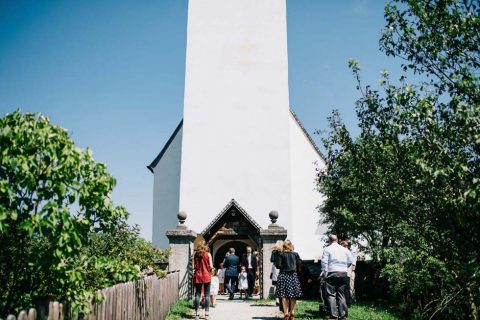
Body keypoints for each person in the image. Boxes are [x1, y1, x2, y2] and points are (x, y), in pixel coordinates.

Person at [321, 235, 353, 320]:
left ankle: (333, 316)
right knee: (341, 295)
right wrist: (344, 267)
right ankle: (343, 316)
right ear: (337, 240)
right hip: (343, 273)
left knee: (331, 295)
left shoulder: (327, 249)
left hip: (332, 273)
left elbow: (324, 263)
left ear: (329, 240)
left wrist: (325, 274)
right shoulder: (344, 249)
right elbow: (350, 260)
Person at [275, 240, 303, 320]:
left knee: (284, 295)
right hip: (293, 275)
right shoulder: (295, 254)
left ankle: (286, 313)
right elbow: (299, 264)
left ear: (284, 246)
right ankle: (292, 313)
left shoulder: (281, 254)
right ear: (291, 246)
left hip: (283, 275)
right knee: (293, 295)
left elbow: (278, 265)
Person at [193, 241, 213, 320]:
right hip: (206, 275)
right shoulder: (208, 254)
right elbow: (211, 266)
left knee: (197, 294)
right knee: (207, 295)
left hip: (198, 276)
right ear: (205, 247)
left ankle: (197, 314)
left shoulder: (195, 255)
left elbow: (193, 267)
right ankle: (206, 315)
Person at [340, 240, 357, 305]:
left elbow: (353, 263)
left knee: (351, 287)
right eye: (346, 245)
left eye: (348, 245)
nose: (347, 246)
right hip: (344, 272)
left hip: (349, 272)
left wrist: (351, 272)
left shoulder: (351, 252)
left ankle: (351, 300)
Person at [270, 240, 283, 305]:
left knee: (275, 284)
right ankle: (281, 298)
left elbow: (271, 260)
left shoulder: (274, 251)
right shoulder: (283, 251)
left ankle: (277, 299)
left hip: (275, 267)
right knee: (282, 284)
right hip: (282, 267)